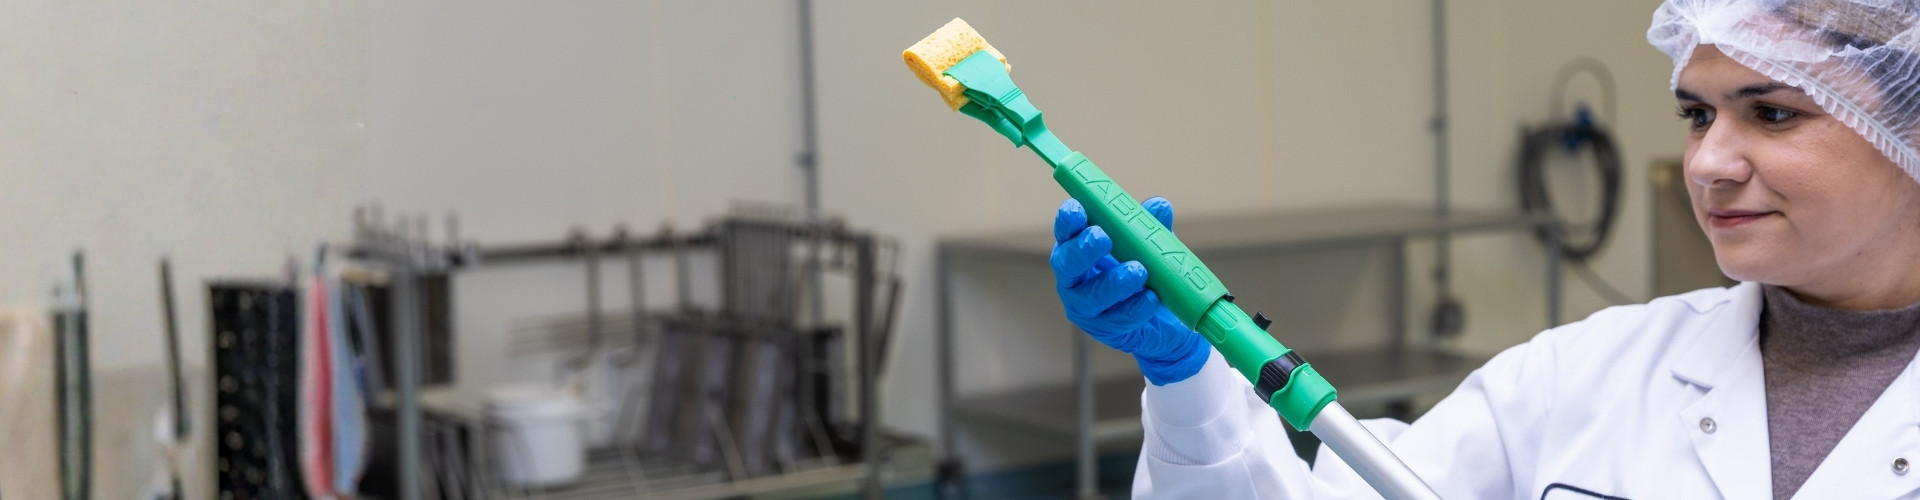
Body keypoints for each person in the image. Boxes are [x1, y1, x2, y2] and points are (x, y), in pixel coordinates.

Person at [1048, 0, 1920, 498]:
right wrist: (1192, 379)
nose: (1708, 163)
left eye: (1773, 113)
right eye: (1697, 115)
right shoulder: (1587, 376)